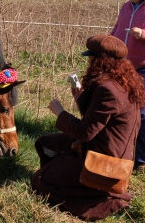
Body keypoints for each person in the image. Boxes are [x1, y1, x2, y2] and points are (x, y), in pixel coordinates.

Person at [31, 34, 145, 221]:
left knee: (40, 181)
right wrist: (79, 95)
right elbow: (97, 116)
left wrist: (60, 113)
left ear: (101, 61)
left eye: (91, 58)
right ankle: (67, 172)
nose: (89, 62)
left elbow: (84, 132)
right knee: (44, 143)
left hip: (104, 161)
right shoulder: (124, 83)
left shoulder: (107, 89)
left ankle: (100, 197)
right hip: (104, 147)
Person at [111, 0, 145, 173]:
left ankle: (141, 159)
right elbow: (116, 29)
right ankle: (118, 151)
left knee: (142, 113)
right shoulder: (125, 7)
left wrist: (142, 34)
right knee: (117, 108)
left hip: (142, 68)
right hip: (121, 67)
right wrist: (107, 42)